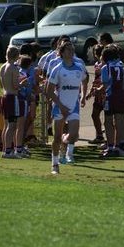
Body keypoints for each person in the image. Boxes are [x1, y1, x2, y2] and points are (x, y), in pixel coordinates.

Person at [46, 41, 88, 174]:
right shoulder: (57, 68)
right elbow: (49, 91)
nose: (71, 52)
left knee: (74, 135)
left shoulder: (79, 67)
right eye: (68, 50)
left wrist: (83, 95)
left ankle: (65, 140)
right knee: (56, 138)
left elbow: (84, 80)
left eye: (72, 49)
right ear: (62, 52)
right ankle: (55, 164)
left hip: (73, 107)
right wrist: (61, 106)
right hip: (60, 107)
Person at [99, 45, 124, 157]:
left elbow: (106, 84)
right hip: (122, 96)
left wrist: (98, 91)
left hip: (111, 97)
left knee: (108, 121)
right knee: (120, 120)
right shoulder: (122, 65)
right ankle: (121, 146)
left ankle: (111, 146)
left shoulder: (105, 67)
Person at [0, 46, 23, 158]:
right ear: (16, 55)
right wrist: (22, 84)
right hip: (12, 98)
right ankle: (8, 151)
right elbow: (15, 85)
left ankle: (5, 149)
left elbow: (1, 84)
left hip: (4, 97)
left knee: (7, 125)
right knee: (12, 125)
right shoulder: (14, 68)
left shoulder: (2, 67)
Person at [86, 43, 105, 144]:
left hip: (104, 94)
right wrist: (90, 91)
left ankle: (109, 137)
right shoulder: (97, 64)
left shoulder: (105, 65)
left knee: (108, 117)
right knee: (95, 115)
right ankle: (99, 135)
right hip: (97, 94)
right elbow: (95, 79)